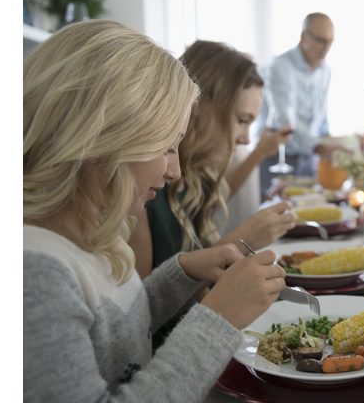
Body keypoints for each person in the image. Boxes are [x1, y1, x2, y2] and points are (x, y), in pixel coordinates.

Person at [23, 20, 286, 402]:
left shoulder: (91, 235)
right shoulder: (35, 273)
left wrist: (178, 275)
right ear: (103, 137)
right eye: (166, 146)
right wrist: (218, 319)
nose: (175, 169)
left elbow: (118, 333)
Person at [128, 41, 299, 348]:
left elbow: (221, 190)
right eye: (242, 120)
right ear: (201, 107)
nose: (245, 137)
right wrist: (235, 242)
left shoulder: (191, 176)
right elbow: (141, 321)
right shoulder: (143, 193)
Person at [257, 12, 346, 193]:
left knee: (306, 212)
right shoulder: (279, 67)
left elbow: (321, 119)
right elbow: (284, 120)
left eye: (330, 42)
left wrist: (331, 144)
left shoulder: (325, 71)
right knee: (272, 211)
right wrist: (320, 148)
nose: (325, 47)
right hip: (277, 157)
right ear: (303, 36)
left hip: (309, 158)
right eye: (320, 40)